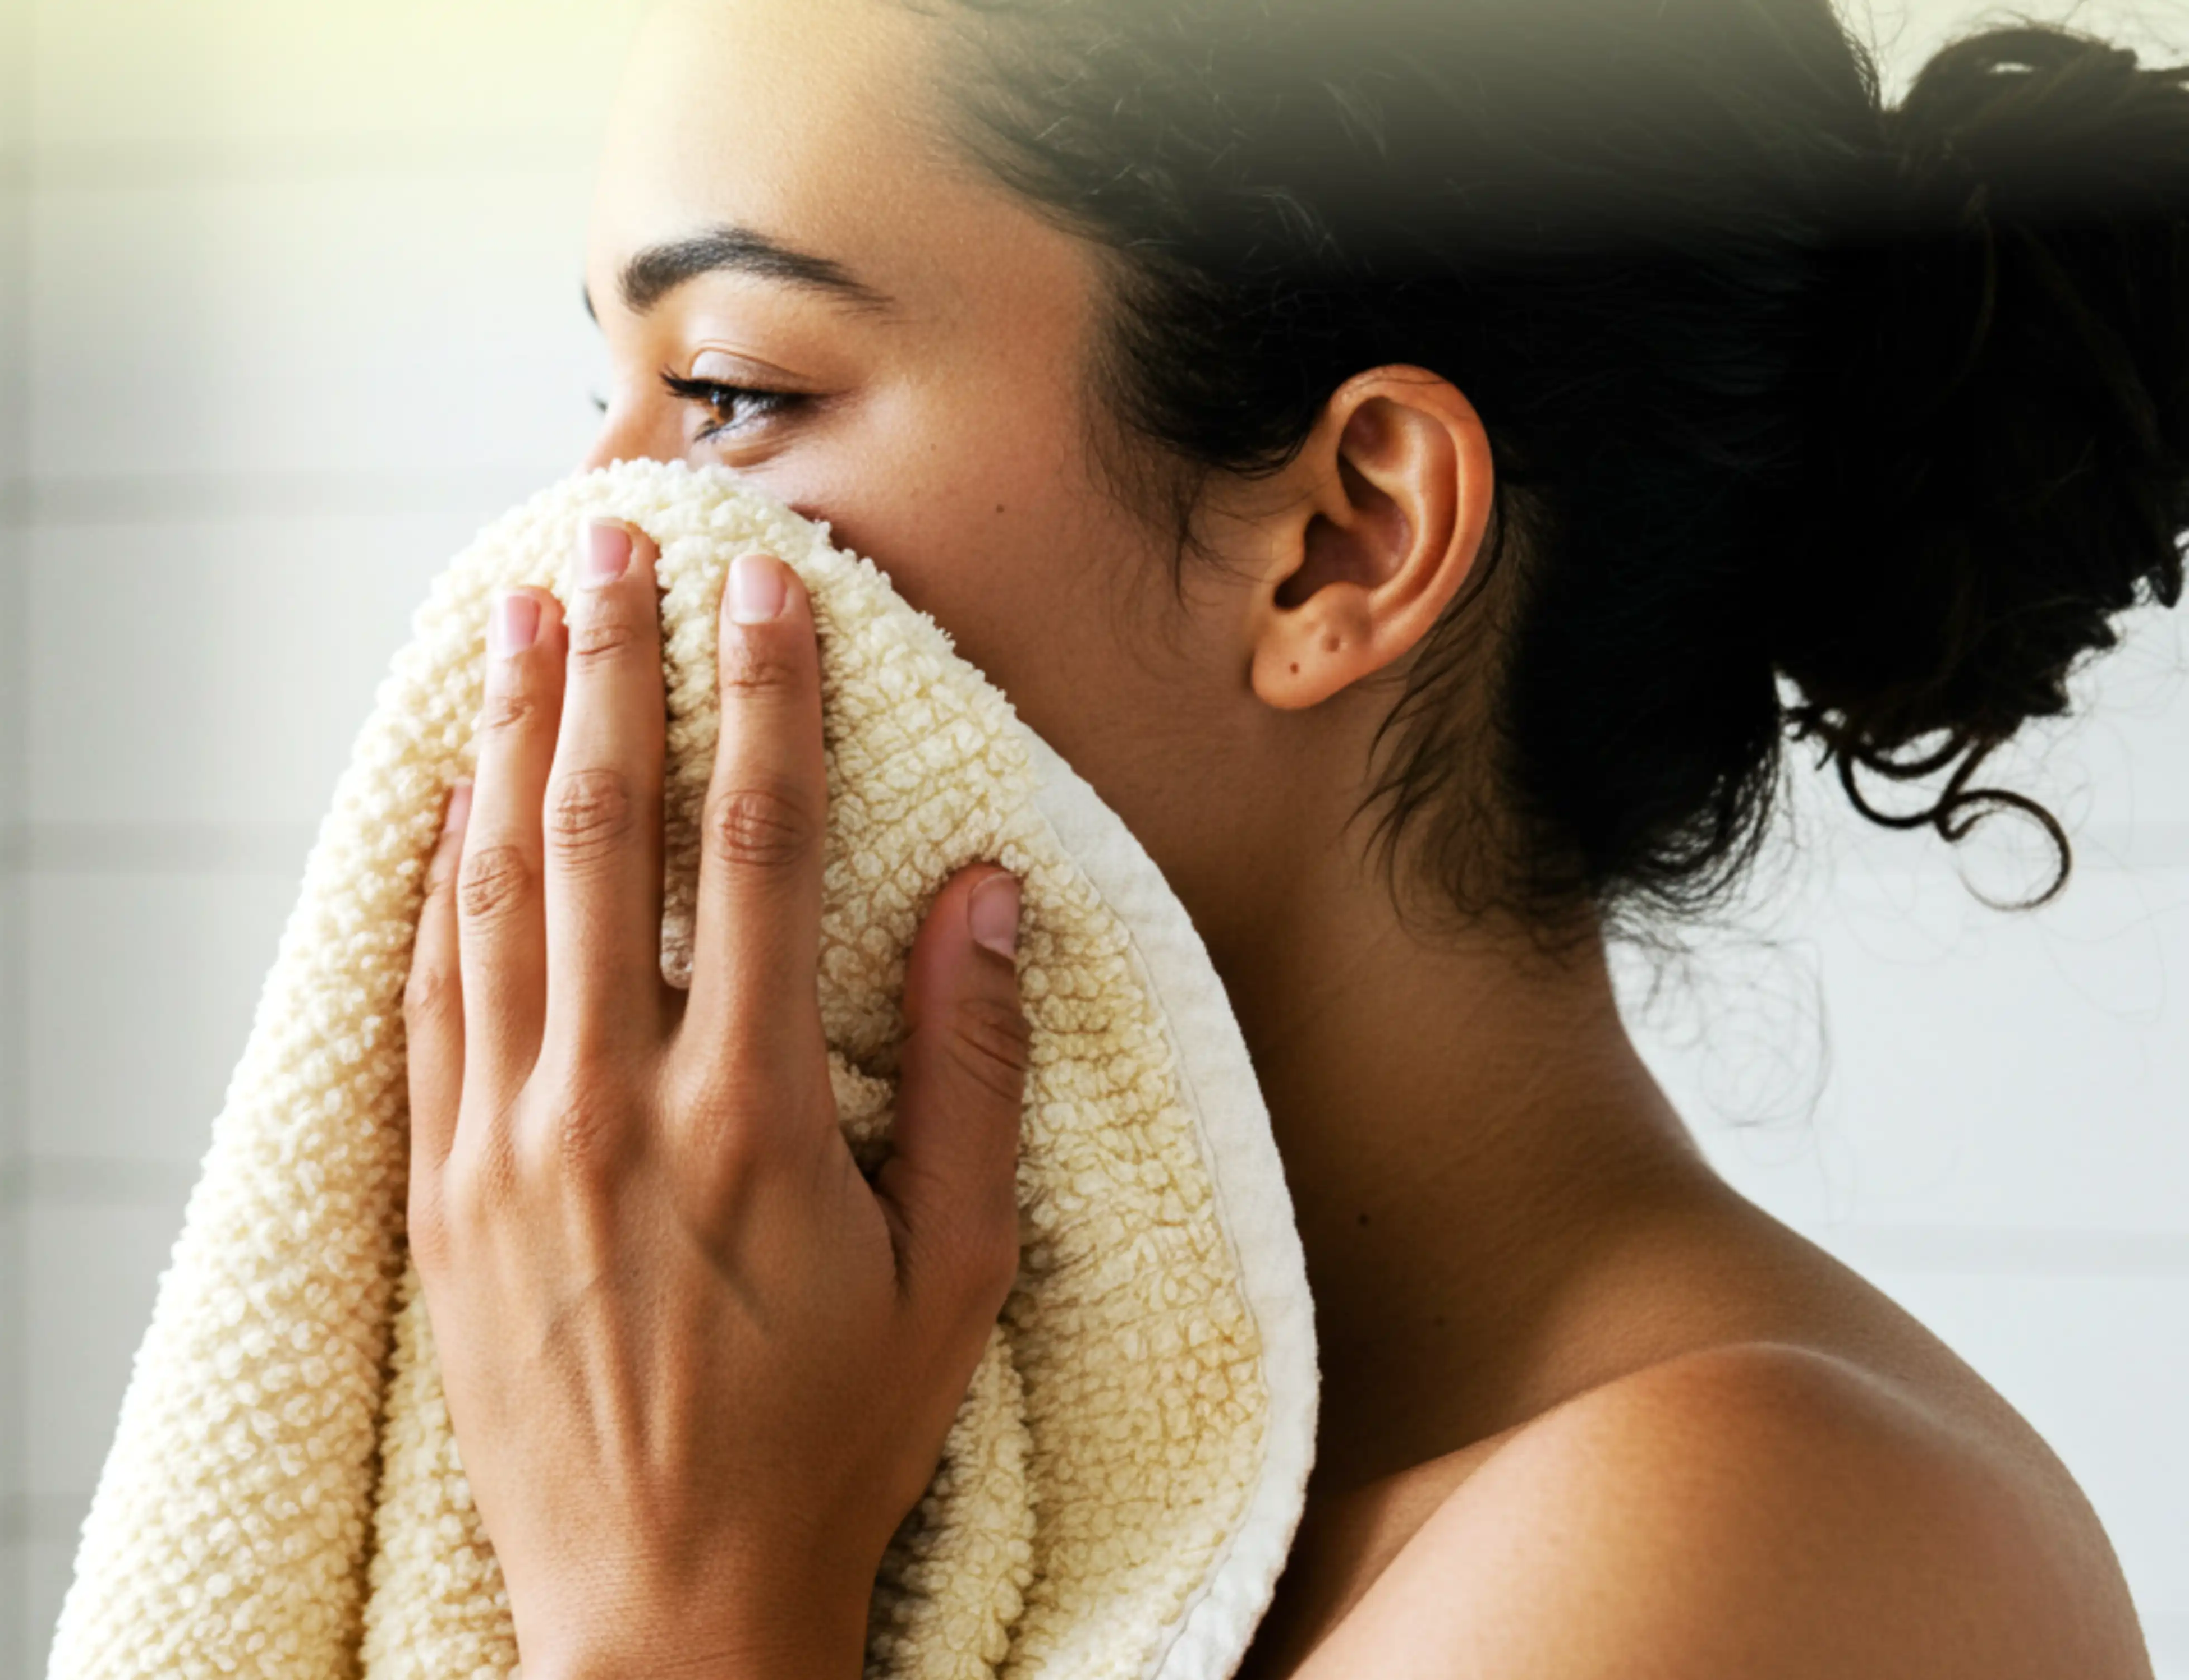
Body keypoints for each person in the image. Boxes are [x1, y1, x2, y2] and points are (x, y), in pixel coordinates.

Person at [392, 0, 2187, 1673]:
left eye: (731, 394)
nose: (580, 551)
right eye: (606, 405)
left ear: (1344, 540)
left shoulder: (1762, 1546)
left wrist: (674, 1602)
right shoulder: (933, 1476)